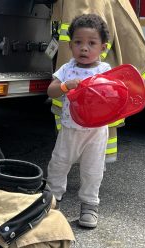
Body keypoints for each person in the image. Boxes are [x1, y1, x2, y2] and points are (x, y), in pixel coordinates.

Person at [46, 13, 111, 228]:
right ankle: (51, 201)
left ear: (103, 47)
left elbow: (113, 97)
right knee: (59, 164)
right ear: (71, 45)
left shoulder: (105, 71)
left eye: (92, 43)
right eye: (78, 42)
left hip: (96, 131)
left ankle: (90, 205)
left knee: (92, 170)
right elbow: (51, 91)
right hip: (70, 128)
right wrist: (66, 85)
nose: (84, 48)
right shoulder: (66, 69)